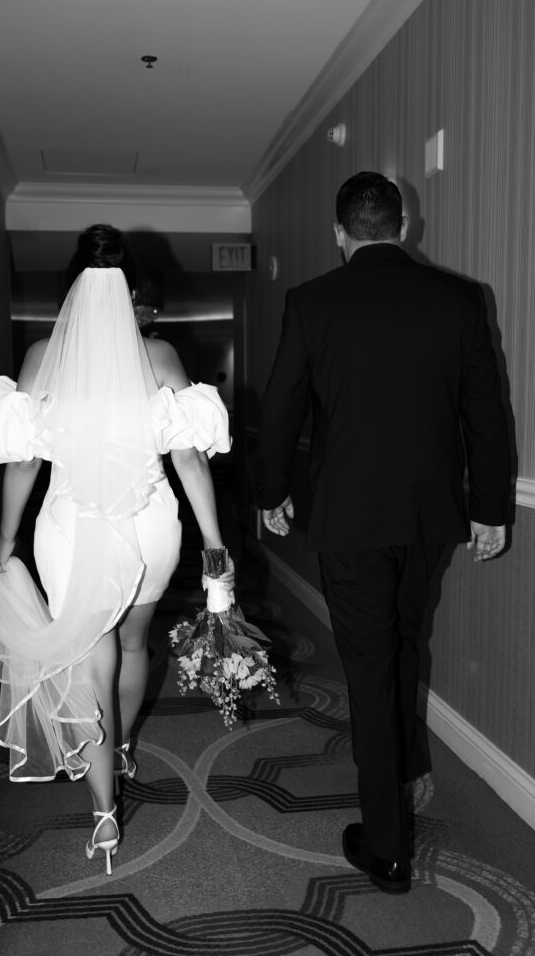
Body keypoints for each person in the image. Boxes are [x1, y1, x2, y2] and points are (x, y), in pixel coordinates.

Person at [256, 172, 510, 894]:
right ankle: (403, 762)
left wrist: (269, 494)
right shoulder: (460, 299)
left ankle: (387, 845)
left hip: (349, 518)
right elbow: (484, 415)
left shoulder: (311, 302)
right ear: (402, 224)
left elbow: (280, 410)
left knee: (369, 665)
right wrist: (489, 509)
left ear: (340, 233)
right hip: (431, 515)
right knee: (405, 636)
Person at [0, 224, 230, 875]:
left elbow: (22, 466)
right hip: (148, 525)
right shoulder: (161, 356)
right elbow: (190, 460)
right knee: (135, 644)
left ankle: (105, 816)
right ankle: (122, 748)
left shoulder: (39, 359)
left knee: (91, 663)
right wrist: (214, 542)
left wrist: (5, 540)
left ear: (71, 294)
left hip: (70, 528)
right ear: (131, 294)